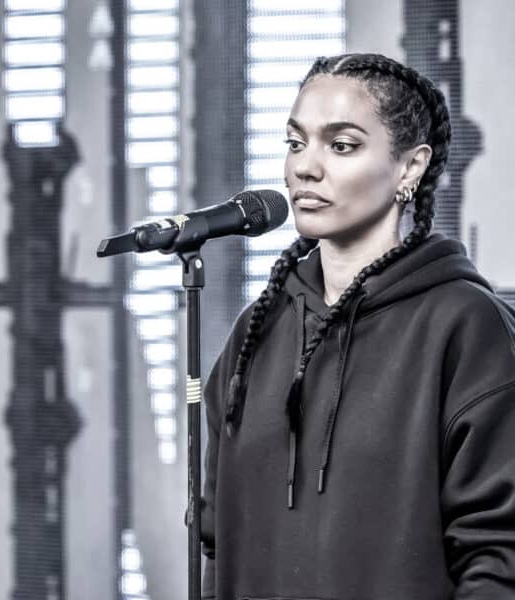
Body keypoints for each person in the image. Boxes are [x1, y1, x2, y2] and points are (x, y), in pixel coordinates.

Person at [200, 52, 515, 599]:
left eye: (341, 145)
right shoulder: (257, 330)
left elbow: (498, 555)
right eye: (296, 143)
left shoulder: (466, 326)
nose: (305, 167)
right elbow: (215, 542)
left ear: (410, 167)